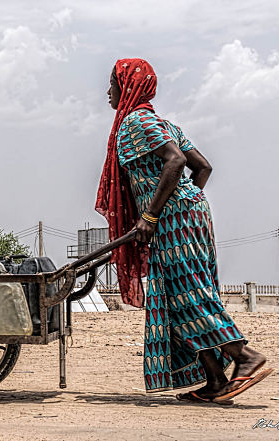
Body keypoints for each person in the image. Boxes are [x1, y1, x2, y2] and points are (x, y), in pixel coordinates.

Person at [96, 58, 272, 404]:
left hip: (171, 220)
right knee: (174, 297)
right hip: (184, 216)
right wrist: (186, 202)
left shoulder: (135, 122)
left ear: (127, 86)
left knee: (187, 292)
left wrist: (152, 213)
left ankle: (245, 357)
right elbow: (202, 168)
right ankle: (216, 382)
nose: (108, 91)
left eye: (113, 83)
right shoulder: (162, 122)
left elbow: (176, 161)